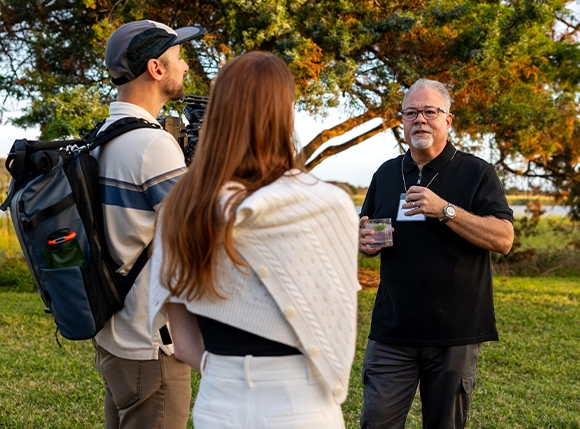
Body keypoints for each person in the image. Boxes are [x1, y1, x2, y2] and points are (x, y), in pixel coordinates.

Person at [148, 51, 360, 428]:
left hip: (219, 402)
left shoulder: (183, 208)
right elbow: (334, 321)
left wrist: (228, 374)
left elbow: (183, 343)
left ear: (218, 114)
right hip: (300, 403)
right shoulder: (325, 204)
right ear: (286, 115)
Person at [358, 78, 514, 429]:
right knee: (376, 422)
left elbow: (504, 238)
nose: (420, 120)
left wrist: (445, 210)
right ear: (402, 121)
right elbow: (370, 230)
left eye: (430, 111)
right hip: (391, 331)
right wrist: (365, 242)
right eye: (411, 113)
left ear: (448, 120)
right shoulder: (386, 173)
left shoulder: (476, 172)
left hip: (453, 334)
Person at [93, 20, 204, 429]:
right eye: (179, 57)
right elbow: (203, 237)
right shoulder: (153, 145)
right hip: (150, 346)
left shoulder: (104, 135)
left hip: (114, 337)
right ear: (156, 68)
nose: (186, 67)